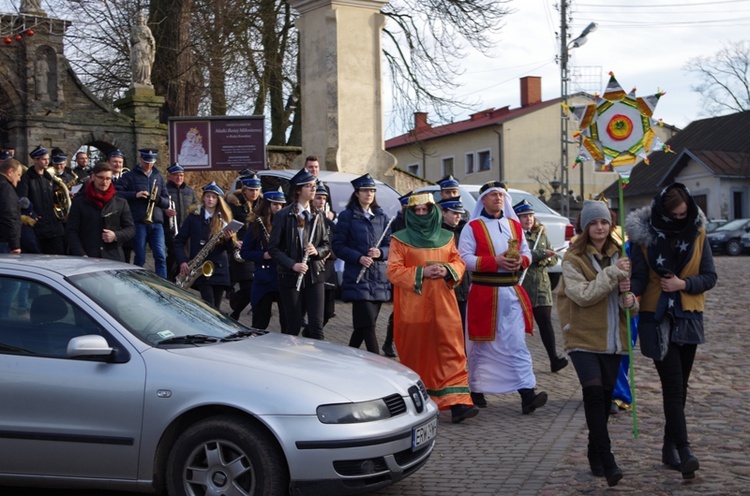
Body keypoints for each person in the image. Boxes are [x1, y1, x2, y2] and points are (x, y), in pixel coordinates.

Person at [627, 183, 716, 480]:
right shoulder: (643, 238)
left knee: (682, 388)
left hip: (688, 314)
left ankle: (669, 447)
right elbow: (639, 278)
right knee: (673, 386)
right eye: (676, 214)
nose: (682, 218)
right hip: (656, 317)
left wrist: (684, 284)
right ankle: (685, 449)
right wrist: (631, 294)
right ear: (663, 212)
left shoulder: (698, 231)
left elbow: (709, 276)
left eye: (685, 213)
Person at [557, 200, 637, 487]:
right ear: (585, 227)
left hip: (613, 340)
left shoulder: (621, 255)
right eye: (594, 223)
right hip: (582, 337)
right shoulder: (572, 259)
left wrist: (631, 300)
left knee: (604, 400)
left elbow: (627, 303)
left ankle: (594, 450)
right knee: (592, 394)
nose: (599, 228)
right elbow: (583, 295)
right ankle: (608, 458)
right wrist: (613, 274)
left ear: (610, 224)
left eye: (604, 222)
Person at [386, 193, 478, 424]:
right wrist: (421, 272)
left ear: (432, 210)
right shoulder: (400, 239)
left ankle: (458, 403)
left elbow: (458, 261)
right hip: (414, 308)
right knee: (418, 353)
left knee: (451, 350)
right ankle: (419, 403)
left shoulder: (447, 237)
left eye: (425, 209)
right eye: (416, 211)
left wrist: (447, 270)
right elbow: (393, 271)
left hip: (444, 306)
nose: (421, 214)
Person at [458, 181, 547, 414]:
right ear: (483, 200)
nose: (498, 198)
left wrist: (521, 261)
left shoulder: (514, 225)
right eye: (493, 195)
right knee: (480, 345)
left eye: (501, 195)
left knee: (516, 344)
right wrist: (493, 262)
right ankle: (475, 389)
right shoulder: (472, 227)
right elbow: (463, 258)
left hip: (511, 292)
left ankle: (527, 393)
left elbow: (526, 252)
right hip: (484, 292)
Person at [267, 167, 331, 340]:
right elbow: (273, 248)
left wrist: (316, 251)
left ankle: (315, 363)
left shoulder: (318, 215)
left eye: (314, 185)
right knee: (293, 325)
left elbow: (326, 244)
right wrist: (292, 264)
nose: (313, 189)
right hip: (290, 276)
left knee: (317, 327)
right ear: (298, 190)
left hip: (314, 274)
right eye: (308, 186)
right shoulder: (283, 215)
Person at [332, 173, 391, 354]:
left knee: (363, 326)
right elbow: (338, 246)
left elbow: (390, 246)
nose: (369, 194)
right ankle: (379, 362)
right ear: (357, 193)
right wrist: (358, 257)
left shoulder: (382, 217)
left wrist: (381, 252)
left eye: (372, 190)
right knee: (368, 326)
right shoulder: (347, 216)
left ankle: (347, 357)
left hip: (379, 278)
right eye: (365, 191)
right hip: (358, 278)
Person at [514, 199, 568, 373]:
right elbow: (516, 257)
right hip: (524, 286)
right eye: (524, 216)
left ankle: (554, 359)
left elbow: (552, 259)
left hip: (542, 287)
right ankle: (519, 361)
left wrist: (544, 257)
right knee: (519, 327)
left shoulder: (540, 234)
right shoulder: (514, 236)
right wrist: (539, 255)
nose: (528, 219)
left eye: (530, 215)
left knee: (545, 324)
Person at [175, 182, 237, 309]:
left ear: (218, 200)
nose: (210, 199)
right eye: (208, 196)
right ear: (203, 197)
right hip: (201, 269)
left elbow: (230, 250)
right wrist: (183, 261)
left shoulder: (223, 219)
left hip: (219, 269)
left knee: (217, 308)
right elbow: (179, 241)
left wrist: (229, 239)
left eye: (214, 197)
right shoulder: (194, 217)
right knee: (209, 305)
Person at [115, 148, 169, 277]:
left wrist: (157, 199)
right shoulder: (129, 176)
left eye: (151, 162)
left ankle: (163, 284)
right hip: (138, 222)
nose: (149, 164)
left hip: (156, 222)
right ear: (140, 159)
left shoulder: (159, 177)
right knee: (140, 257)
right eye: (146, 161)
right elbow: (117, 194)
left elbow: (167, 201)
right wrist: (135, 195)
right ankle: (138, 282)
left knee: (161, 257)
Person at [66, 162, 135, 261]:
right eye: (101, 178)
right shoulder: (79, 202)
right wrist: (81, 254)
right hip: (87, 257)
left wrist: (116, 235)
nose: (104, 182)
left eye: (108, 179)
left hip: (113, 257)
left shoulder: (120, 202)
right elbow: (71, 231)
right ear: (93, 177)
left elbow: (130, 228)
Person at [240, 187, 287, 330]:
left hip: (283, 276)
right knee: (261, 321)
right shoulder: (257, 225)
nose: (278, 208)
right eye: (274, 204)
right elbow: (245, 252)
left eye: (280, 205)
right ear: (267, 205)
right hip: (264, 278)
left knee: (287, 321)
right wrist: (262, 255)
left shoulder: (288, 223)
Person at [16, 145, 66, 254]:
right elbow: (22, 200)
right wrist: (32, 215)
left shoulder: (50, 178)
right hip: (39, 227)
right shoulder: (27, 178)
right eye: (44, 159)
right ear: (35, 160)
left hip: (55, 226)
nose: (47, 162)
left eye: (48, 159)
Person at [226, 173, 262, 319]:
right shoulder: (235, 204)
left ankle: (235, 309)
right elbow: (227, 224)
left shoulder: (262, 205)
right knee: (248, 285)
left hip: (257, 249)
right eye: (251, 190)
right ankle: (235, 313)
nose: (254, 193)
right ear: (244, 190)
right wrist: (234, 240)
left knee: (253, 286)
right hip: (241, 249)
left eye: (256, 190)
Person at [382, 190, 411, 358]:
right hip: (400, 271)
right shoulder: (396, 223)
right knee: (398, 311)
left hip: (414, 270)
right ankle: (388, 342)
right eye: (406, 206)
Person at [437, 197, 470, 330]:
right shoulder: (438, 233)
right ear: (444, 213)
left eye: (460, 213)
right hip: (447, 285)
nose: (458, 216)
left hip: (465, 284)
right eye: (454, 213)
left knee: (464, 326)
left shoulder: (465, 231)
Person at [164, 163, 199, 280]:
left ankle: (181, 277)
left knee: (186, 255)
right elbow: (158, 206)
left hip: (186, 229)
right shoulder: (165, 190)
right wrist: (165, 211)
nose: (179, 177)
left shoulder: (190, 191)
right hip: (170, 229)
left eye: (181, 175)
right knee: (173, 253)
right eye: (176, 175)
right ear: (170, 176)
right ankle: (170, 276)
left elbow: (195, 208)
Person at [313, 182, 338, 326]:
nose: (321, 201)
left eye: (324, 198)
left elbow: (336, 244)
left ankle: (309, 333)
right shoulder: (307, 220)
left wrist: (329, 253)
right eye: (318, 198)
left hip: (328, 269)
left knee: (328, 312)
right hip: (313, 269)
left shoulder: (330, 223)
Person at [0, 158, 23, 254]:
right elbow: (9, 216)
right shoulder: (6, 188)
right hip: (4, 241)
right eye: (18, 175)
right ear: (10, 172)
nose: (19, 179)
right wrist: (15, 245)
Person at [130, 12, 156, 86]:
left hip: (146, 48)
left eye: (142, 17)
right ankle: (137, 80)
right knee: (138, 65)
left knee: (146, 65)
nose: (140, 18)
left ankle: (145, 80)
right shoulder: (134, 28)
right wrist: (136, 38)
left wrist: (151, 41)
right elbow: (131, 39)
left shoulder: (147, 29)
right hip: (137, 47)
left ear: (144, 18)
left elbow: (152, 39)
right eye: (139, 16)